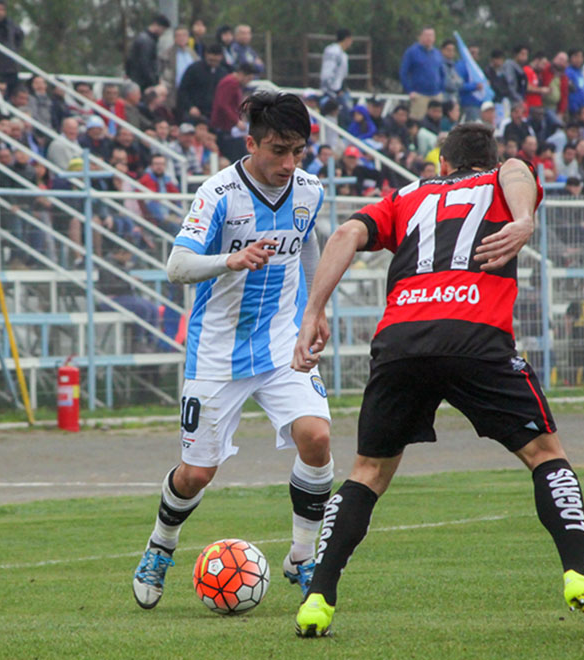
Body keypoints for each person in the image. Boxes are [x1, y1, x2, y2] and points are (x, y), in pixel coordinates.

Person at [290, 123, 584, 637]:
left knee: (366, 472)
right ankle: (580, 574)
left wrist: (313, 312)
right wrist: (523, 220)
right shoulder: (505, 177)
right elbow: (520, 171)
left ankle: (317, 601)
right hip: (475, 333)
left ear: (441, 162)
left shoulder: (407, 194)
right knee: (545, 454)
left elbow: (345, 233)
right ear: (490, 160)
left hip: (402, 336)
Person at [131, 91, 333, 611]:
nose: (289, 164)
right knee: (197, 473)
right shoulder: (218, 192)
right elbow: (176, 267)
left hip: (281, 345)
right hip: (217, 352)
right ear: (251, 144)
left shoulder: (310, 190)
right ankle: (161, 544)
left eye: (298, 152)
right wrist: (231, 259)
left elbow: (307, 242)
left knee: (317, 438)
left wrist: (316, 309)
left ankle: (302, 557)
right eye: (278, 150)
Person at [399, 27, 444, 120]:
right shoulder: (412, 52)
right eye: (426, 35)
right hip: (420, 95)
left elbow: (442, 73)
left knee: (437, 122)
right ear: (420, 37)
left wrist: (441, 89)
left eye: (431, 36)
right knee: (418, 122)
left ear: (434, 38)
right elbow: (403, 72)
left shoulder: (437, 53)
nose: (429, 38)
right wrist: (410, 91)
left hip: (436, 95)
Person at [126, 14, 170, 92]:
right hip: (143, 84)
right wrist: (154, 83)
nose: (162, 33)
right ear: (156, 25)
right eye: (162, 29)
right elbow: (145, 64)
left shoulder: (144, 38)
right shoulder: (147, 41)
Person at [320, 28, 353, 123]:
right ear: (347, 39)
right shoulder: (333, 52)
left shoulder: (343, 54)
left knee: (347, 116)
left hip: (339, 91)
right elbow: (327, 73)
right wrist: (333, 90)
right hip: (332, 93)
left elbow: (341, 76)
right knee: (342, 118)